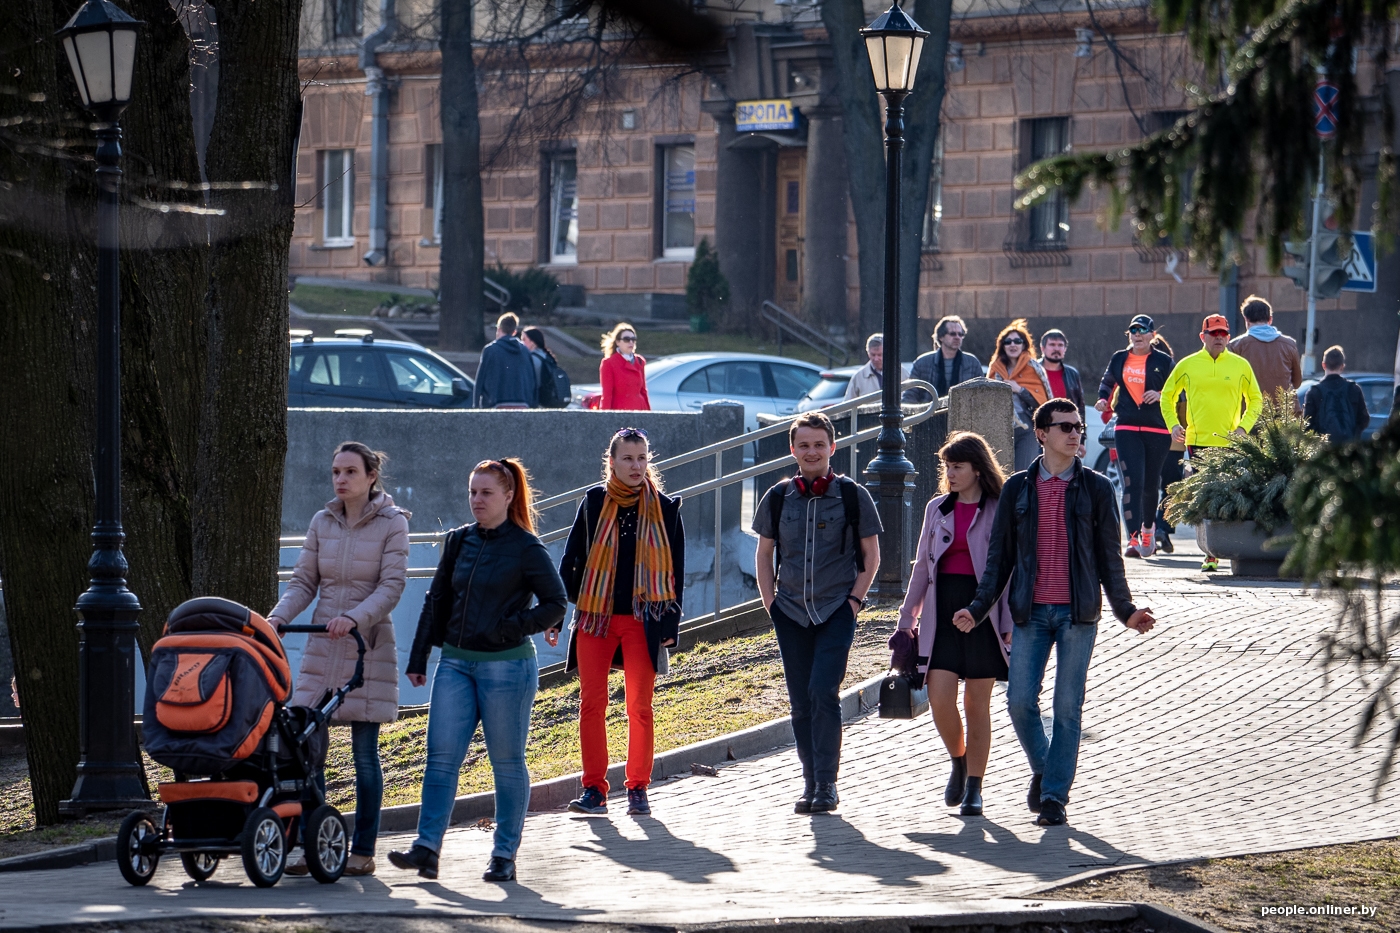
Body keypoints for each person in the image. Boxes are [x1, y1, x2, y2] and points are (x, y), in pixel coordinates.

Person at [954, 399, 1156, 827]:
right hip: (1031, 611)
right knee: (1019, 702)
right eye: (1065, 427)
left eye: (1078, 427)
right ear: (1041, 434)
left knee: (1067, 707)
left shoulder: (1098, 488)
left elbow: (1109, 561)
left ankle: (1053, 798)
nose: (1075, 433)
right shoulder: (1017, 489)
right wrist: (977, 607)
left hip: (1078, 615)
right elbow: (999, 560)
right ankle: (1047, 768)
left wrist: (1127, 611)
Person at [389, 459, 567, 884]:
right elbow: (436, 600)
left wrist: (512, 626)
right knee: (440, 759)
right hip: (454, 662)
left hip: (508, 668)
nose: (477, 500)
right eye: (472, 492)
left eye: (486, 493)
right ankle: (427, 849)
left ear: (508, 496)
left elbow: (556, 602)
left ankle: (504, 855)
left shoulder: (526, 547)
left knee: (506, 763)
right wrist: (417, 658)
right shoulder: (458, 541)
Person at [269, 442, 410, 877]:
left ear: (371, 477)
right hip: (321, 648)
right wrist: (276, 618)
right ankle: (317, 847)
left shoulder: (393, 524)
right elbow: (303, 582)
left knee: (365, 755)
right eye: (335, 471)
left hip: (366, 649)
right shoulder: (321, 521)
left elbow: (392, 586)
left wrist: (353, 618)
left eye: (350, 471)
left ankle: (363, 850)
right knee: (306, 752)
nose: (341, 479)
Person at [753, 412, 881, 814]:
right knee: (800, 702)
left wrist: (854, 601)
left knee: (823, 691)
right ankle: (809, 783)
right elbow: (764, 554)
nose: (811, 452)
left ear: (832, 448)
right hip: (789, 612)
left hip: (835, 610)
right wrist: (770, 603)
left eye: (819, 444)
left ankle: (828, 785)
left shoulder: (851, 494)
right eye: (804, 445)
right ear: (793, 449)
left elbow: (872, 556)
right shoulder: (776, 497)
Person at [558, 427, 685, 817]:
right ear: (611, 462)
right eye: (628, 458)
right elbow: (570, 562)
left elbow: (677, 572)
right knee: (590, 705)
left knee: (639, 707)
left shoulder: (664, 507)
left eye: (642, 458)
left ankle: (638, 789)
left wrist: (670, 627)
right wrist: (562, 609)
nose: (636, 466)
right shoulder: (594, 502)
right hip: (596, 619)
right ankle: (594, 789)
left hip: (642, 621)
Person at [894, 432, 1011, 817]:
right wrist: (906, 620)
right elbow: (922, 568)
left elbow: (1010, 572)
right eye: (947, 466)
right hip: (941, 614)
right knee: (940, 699)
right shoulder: (937, 508)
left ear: (978, 469)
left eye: (957, 466)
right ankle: (958, 760)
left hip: (986, 613)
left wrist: (1006, 620)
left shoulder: (999, 507)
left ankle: (975, 786)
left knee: (977, 703)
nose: (950, 473)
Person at [1160, 314, 1263, 572]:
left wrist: (1242, 428)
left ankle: (1227, 548)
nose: (1219, 338)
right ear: (1202, 336)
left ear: (1228, 337)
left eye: (1223, 334)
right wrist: (1173, 424)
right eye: (1213, 334)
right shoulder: (1188, 364)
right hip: (1198, 442)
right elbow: (1166, 396)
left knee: (1229, 496)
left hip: (1230, 443)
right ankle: (1210, 554)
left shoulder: (1240, 365)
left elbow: (1256, 400)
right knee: (1206, 499)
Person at [1095, 315, 1176, 559]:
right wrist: (1102, 399)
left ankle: (1148, 531)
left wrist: (1161, 394)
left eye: (1142, 330)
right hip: (1127, 427)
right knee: (1133, 482)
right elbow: (1107, 382)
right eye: (1133, 330)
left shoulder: (1164, 360)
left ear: (1152, 335)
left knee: (1151, 485)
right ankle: (1132, 539)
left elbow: (1180, 391)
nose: (1137, 334)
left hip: (1157, 429)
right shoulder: (1120, 358)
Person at [987, 319, 1052, 472]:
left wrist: (1019, 389)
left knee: (1022, 473)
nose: (1013, 345)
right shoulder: (995, 369)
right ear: (1002, 346)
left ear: (1024, 344)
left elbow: (1043, 405)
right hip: (1000, 427)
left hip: (1026, 427)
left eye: (1017, 341)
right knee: (999, 473)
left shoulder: (1034, 368)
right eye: (1008, 342)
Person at [1227, 295, 1302, 408]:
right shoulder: (1289, 344)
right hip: (1286, 413)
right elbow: (1297, 382)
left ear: (1246, 319)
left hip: (1251, 414)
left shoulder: (1236, 346)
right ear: (1270, 319)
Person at [908, 315, 984, 402]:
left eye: (960, 334)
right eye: (952, 334)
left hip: (962, 414)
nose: (957, 337)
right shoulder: (922, 363)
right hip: (930, 413)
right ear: (941, 337)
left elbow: (981, 395)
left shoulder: (972, 363)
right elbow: (910, 395)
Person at [1304, 345, 1371, 443]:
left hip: (1323, 452)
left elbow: (1307, 424)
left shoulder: (1315, 392)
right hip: (1348, 450)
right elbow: (1364, 419)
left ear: (1323, 365)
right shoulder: (1354, 389)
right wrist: (1354, 436)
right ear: (1342, 366)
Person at [475, 312, 539, 409]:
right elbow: (533, 380)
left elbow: (480, 380)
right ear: (514, 332)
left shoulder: (490, 350)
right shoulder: (525, 351)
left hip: (496, 404)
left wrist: (476, 406)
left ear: (499, 329)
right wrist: (533, 405)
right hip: (522, 405)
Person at [600, 322, 650, 410]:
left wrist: (649, 415)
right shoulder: (609, 363)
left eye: (633, 339)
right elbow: (607, 394)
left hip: (640, 409)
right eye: (626, 339)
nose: (631, 342)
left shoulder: (640, 361)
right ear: (618, 342)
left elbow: (643, 391)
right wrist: (605, 417)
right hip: (620, 409)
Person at [1038, 329, 1084, 421]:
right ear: (1042, 348)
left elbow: (1080, 407)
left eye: (1060, 345)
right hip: (1038, 425)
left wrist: (1081, 432)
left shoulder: (1072, 374)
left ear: (1065, 349)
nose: (1056, 349)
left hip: (1066, 427)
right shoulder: (1032, 371)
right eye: (1052, 345)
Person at [522, 326, 571, 408]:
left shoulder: (532, 359)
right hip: (549, 399)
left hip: (538, 402)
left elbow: (531, 383)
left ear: (533, 342)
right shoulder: (547, 356)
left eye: (524, 339)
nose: (522, 343)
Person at [844, 334, 885, 400]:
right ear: (868, 353)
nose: (876, 359)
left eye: (880, 355)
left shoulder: (901, 373)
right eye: (873, 355)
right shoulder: (858, 376)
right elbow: (847, 405)